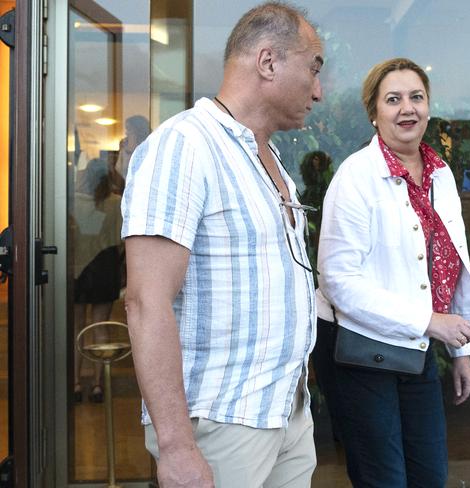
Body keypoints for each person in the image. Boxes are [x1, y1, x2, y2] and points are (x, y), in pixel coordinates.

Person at [121, 2, 323, 487]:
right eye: (313, 70)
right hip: (221, 422)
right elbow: (146, 302)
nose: (318, 91)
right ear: (268, 62)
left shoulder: (267, 155)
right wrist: (175, 447)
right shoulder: (184, 146)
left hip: (287, 414)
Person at [312, 58, 470, 488]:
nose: (406, 108)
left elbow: (450, 261)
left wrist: (462, 351)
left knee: (429, 472)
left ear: (428, 106)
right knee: (383, 477)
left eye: (416, 97)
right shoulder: (356, 176)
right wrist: (433, 324)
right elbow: (338, 281)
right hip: (357, 349)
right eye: (393, 100)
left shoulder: (441, 175)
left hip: (414, 344)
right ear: (374, 112)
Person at [72, 158, 123, 403]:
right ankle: (98, 385)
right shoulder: (116, 203)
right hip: (105, 267)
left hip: (79, 268)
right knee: (100, 326)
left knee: (78, 328)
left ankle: (76, 382)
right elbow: (122, 240)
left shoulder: (74, 202)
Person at [116, 114, 150, 179]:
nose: (126, 133)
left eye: (129, 129)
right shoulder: (124, 148)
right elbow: (119, 169)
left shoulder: (147, 155)